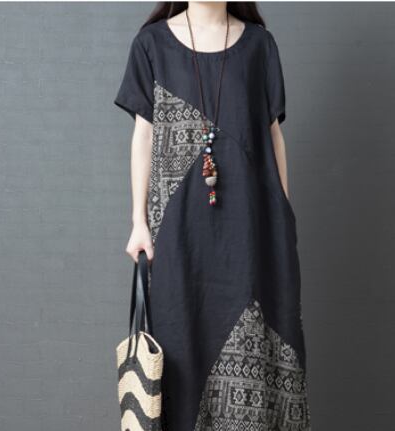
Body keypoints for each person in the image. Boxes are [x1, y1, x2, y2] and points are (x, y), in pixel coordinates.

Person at [114, 2, 312, 430]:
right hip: (178, 233)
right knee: (180, 350)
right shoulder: (151, 45)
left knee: (257, 352)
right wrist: (138, 222)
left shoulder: (260, 46)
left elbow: (273, 135)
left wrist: (284, 216)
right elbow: (143, 135)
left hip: (253, 229)